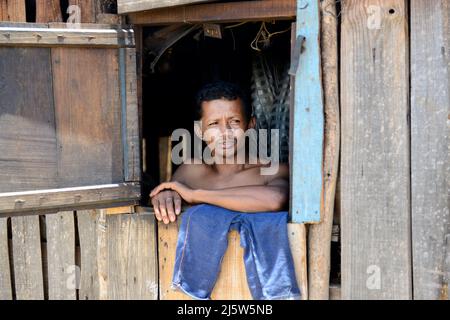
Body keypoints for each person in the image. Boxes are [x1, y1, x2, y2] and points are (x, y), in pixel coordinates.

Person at [150, 81, 289, 222]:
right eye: (214, 124)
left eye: (234, 121)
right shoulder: (190, 171)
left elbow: (275, 199)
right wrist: (164, 195)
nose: (225, 132)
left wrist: (195, 195)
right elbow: (169, 195)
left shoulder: (272, 171)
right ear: (199, 130)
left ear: (250, 124)